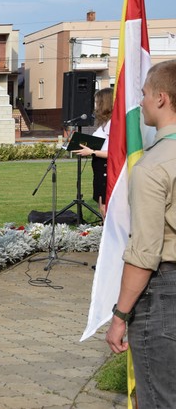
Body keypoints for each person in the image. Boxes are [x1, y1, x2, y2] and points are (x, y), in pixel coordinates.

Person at [105, 59, 176, 407]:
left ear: (161, 98)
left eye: (145, 94)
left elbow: (145, 252)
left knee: (161, 398)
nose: (141, 101)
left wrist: (120, 315)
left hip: (164, 293)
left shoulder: (153, 166)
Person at [72, 87, 113, 217]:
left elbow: (115, 152)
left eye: (97, 102)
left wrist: (92, 152)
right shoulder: (104, 123)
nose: (95, 107)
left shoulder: (113, 124)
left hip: (107, 167)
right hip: (99, 168)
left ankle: (107, 227)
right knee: (101, 204)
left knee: (106, 207)